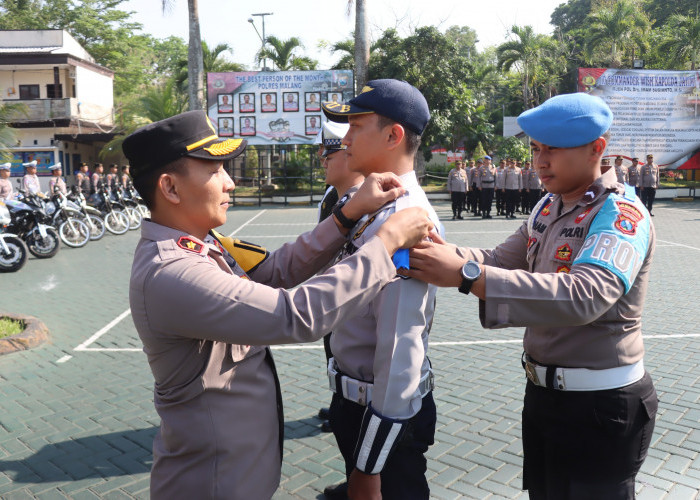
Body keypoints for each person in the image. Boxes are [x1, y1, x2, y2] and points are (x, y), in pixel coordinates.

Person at [121, 110, 433, 500]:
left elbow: (273, 270)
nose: (230, 183)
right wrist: (384, 243)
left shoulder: (203, 243)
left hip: (232, 475)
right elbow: (295, 315)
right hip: (212, 484)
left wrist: (345, 216)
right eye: (215, 171)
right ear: (170, 188)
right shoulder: (173, 272)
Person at [404, 93, 658, 500]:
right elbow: (499, 259)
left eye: (553, 149)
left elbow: (585, 296)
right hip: (544, 396)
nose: (540, 161)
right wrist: (436, 252)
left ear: (598, 149)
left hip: (601, 405)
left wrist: (467, 275)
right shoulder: (547, 206)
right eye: (536, 148)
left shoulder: (620, 213)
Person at [321, 79, 443, 500]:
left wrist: (369, 466)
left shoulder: (407, 219)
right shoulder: (372, 205)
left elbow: (399, 352)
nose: (345, 137)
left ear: (394, 136)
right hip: (354, 404)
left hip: (384, 417)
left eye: (356, 125)